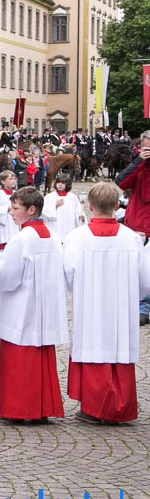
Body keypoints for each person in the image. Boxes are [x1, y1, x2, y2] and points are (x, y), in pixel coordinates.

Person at [64, 183, 148, 424]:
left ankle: (94, 407)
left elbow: (68, 275)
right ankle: (120, 406)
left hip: (90, 304)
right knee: (118, 350)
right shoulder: (131, 238)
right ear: (115, 206)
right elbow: (144, 280)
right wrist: (130, 295)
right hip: (121, 306)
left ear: (89, 206)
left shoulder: (76, 238)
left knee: (93, 347)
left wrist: (79, 290)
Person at [0, 186, 67, 423]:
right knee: (42, 360)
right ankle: (43, 407)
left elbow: (6, 277)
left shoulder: (21, 239)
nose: (11, 212)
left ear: (31, 209)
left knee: (20, 361)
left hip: (22, 309)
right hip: (44, 309)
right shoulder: (53, 237)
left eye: (16, 208)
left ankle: (19, 409)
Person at [114, 130, 150, 325]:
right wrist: (139, 162)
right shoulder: (139, 166)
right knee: (140, 269)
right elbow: (121, 181)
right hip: (139, 223)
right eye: (145, 148)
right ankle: (141, 306)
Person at [42, 172, 84, 240]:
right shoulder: (49, 197)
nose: (60, 185)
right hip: (54, 227)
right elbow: (43, 211)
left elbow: (78, 211)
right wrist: (54, 206)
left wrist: (81, 217)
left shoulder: (73, 198)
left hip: (69, 227)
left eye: (62, 183)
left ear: (67, 184)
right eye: (58, 182)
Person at [0, 170, 19, 252]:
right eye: (10, 179)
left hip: (14, 227)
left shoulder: (17, 194)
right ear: (3, 181)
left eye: (14, 179)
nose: (13, 181)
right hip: (3, 230)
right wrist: (7, 208)